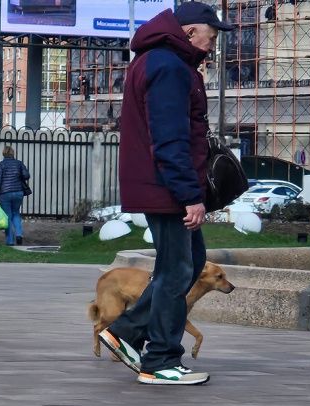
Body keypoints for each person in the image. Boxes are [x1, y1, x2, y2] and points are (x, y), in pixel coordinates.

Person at [97, 4, 234, 385]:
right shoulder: (169, 67)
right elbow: (170, 138)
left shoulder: (160, 62)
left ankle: (125, 333)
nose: (214, 41)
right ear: (190, 33)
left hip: (161, 185)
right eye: (212, 33)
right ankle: (159, 360)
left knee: (190, 260)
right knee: (176, 271)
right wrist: (190, 194)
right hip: (167, 188)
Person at [0, 145, 30, 246]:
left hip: (5, 194)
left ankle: (10, 240)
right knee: (16, 213)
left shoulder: (1, 165)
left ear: (3, 153)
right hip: (18, 192)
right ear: (13, 153)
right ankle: (19, 234)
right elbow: (27, 175)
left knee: (7, 216)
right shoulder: (19, 163)